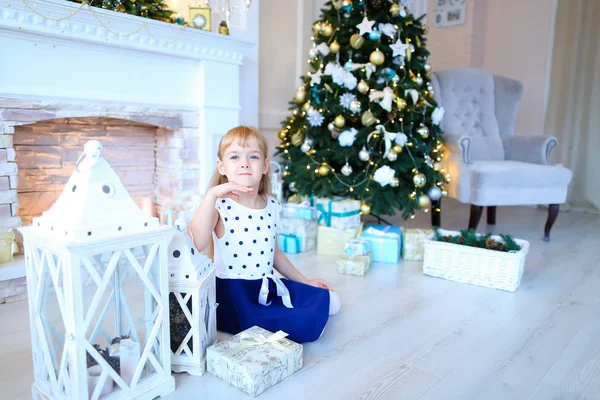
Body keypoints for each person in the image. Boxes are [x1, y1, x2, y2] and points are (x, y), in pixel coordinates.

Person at [188, 126, 340, 343]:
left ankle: (297, 313)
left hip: (266, 287)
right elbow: (195, 243)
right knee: (303, 321)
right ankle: (291, 321)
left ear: (265, 165)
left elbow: (274, 253)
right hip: (235, 295)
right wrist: (211, 195)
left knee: (328, 299)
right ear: (221, 167)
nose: (244, 163)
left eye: (253, 156)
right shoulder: (220, 206)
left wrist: (305, 281)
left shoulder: (272, 205)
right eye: (234, 157)